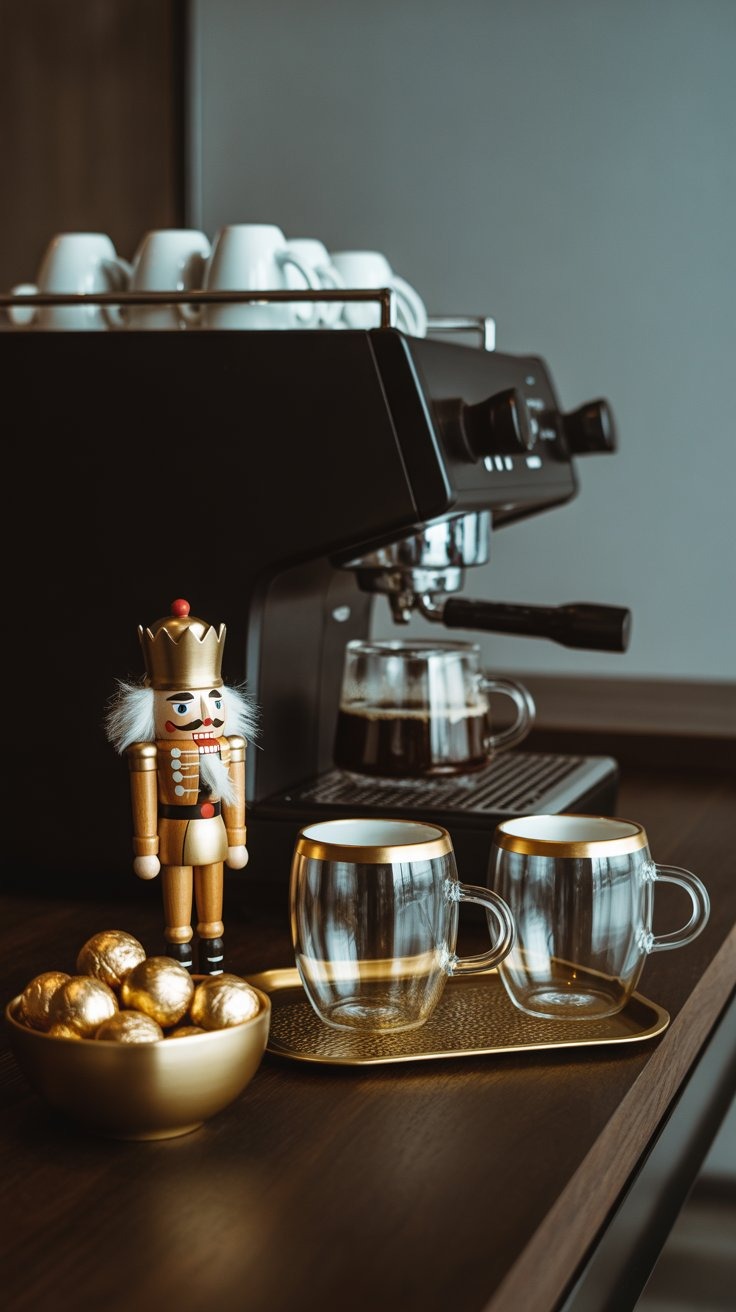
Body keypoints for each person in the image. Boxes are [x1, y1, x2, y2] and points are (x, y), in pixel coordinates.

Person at [105, 598, 257, 974]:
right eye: (184, 706)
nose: (205, 715)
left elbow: (234, 796)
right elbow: (144, 802)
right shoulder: (148, 753)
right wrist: (147, 849)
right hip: (174, 832)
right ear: (153, 708)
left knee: (214, 918)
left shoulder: (229, 747)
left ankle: (214, 965)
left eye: (214, 702)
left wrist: (238, 839)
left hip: (216, 829)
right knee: (178, 919)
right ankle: (181, 967)